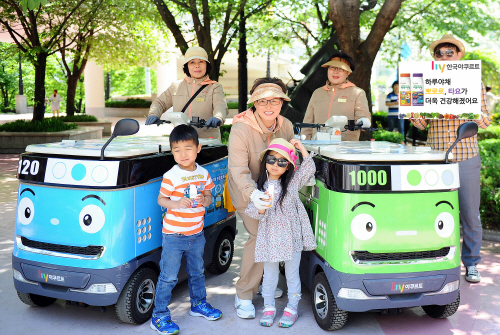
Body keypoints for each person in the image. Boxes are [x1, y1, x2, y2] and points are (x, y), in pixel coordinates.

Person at [411, 34, 491, 283]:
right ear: (435, 58)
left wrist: (466, 106)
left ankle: (472, 263)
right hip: (436, 157)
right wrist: (414, 112)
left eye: (450, 52)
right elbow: (421, 124)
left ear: (459, 55)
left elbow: (486, 122)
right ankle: (436, 259)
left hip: (466, 155)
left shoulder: (473, 82)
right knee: (434, 212)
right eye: (439, 53)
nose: (444, 56)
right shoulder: (423, 81)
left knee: (469, 213)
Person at [227, 77, 295, 319]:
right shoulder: (240, 128)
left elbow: (288, 158)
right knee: (259, 237)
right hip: (246, 191)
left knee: (276, 233)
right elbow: (238, 170)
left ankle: (265, 281)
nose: (269, 106)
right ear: (254, 102)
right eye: (262, 100)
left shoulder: (285, 125)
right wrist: (253, 193)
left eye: (274, 101)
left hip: (273, 191)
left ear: (282, 102)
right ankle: (244, 292)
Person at [151, 124, 222, 334]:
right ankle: (159, 315)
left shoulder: (203, 173)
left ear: (198, 148)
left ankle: (198, 304)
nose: (183, 154)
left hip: (196, 234)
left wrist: (204, 199)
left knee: (198, 272)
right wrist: (177, 203)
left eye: (188, 148)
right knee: (169, 276)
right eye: (177, 150)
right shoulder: (171, 176)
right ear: (172, 152)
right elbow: (161, 199)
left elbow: (209, 196)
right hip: (174, 235)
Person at [245, 138, 317, 328]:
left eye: (282, 161)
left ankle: (292, 308)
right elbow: (253, 212)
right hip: (270, 238)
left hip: (291, 236)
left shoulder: (292, 183)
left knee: (293, 275)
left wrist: (301, 147)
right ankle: (269, 308)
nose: (275, 165)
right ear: (265, 162)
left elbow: (309, 168)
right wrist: (261, 207)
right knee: (270, 276)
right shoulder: (259, 188)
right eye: (271, 159)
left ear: (289, 166)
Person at [145, 46, 228, 140]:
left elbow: (220, 105)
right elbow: (160, 102)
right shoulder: (176, 86)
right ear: (187, 66)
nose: (197, 65)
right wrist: (154, 114)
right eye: (192, 62)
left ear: (206, 65)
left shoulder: (215, 87)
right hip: (181, 140)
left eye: (201, 61)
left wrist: (218, 117)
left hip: (207, 140)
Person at [301, 52, 371, 141]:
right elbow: (307, 123)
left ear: (348, 73)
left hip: (345, 149)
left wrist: (363, 121)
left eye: (341, 68)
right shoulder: (317, 93)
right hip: (317, 146)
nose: (335, 71)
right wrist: (305, 145)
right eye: (332, 67)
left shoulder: (357, 93)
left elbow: (362, 116)